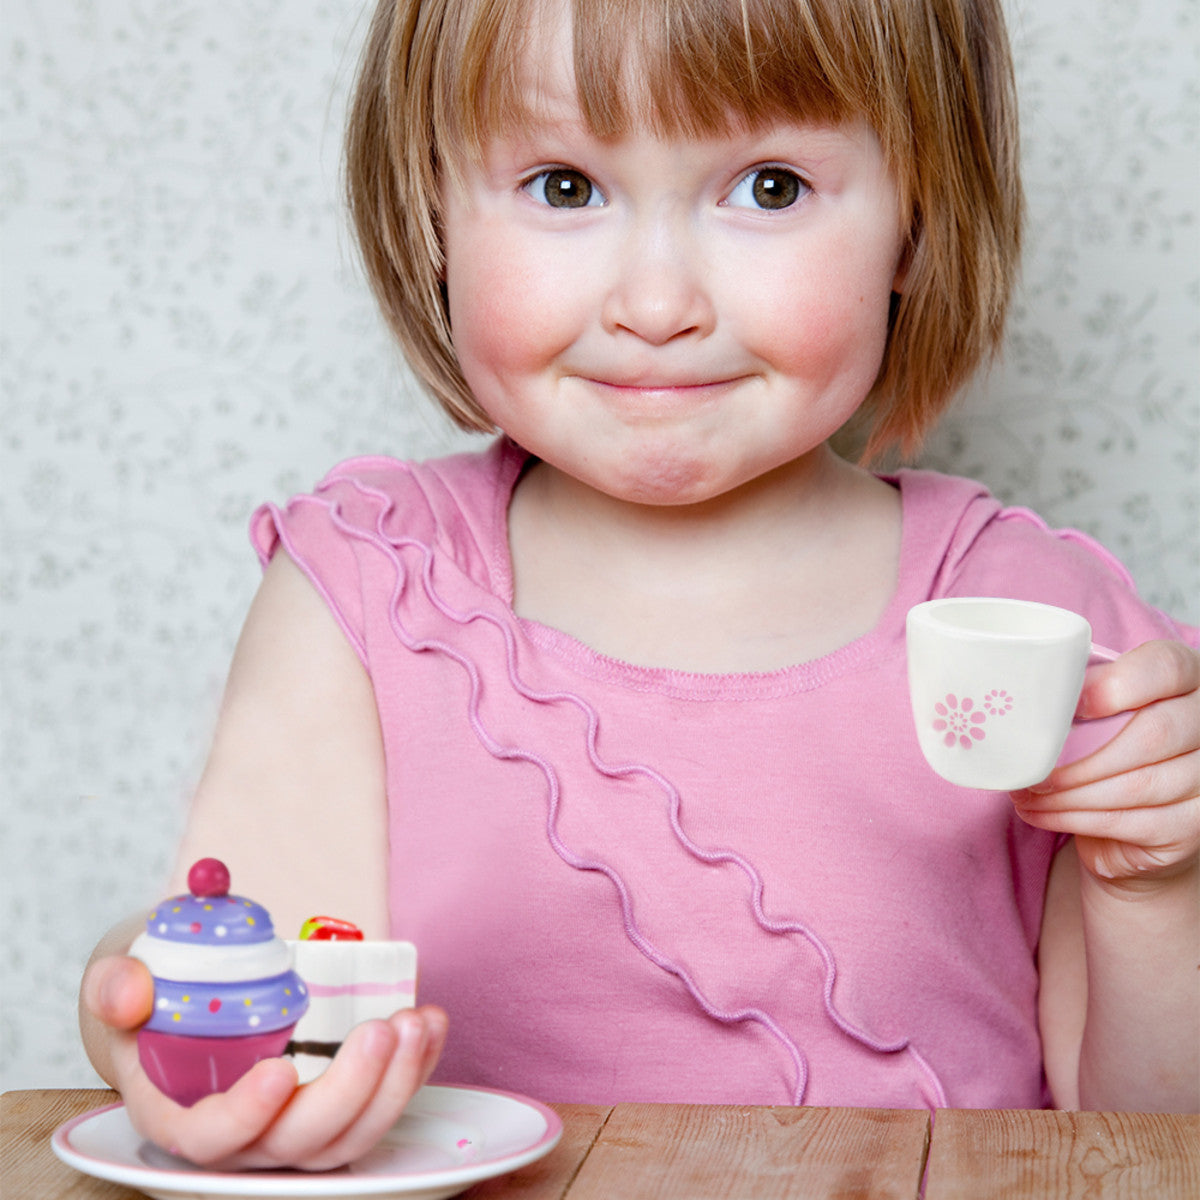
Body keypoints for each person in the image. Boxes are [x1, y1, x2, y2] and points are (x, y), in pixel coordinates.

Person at [80, 0, 1199, 1170]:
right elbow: (234, 986)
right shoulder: (368, 595)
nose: (658, 306)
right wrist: (162, 1038)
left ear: (917, 221)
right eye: (564, 187)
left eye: (769, 187)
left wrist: (1154, 884)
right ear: (430, 212)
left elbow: (1147, 1142)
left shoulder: (1038, 628)